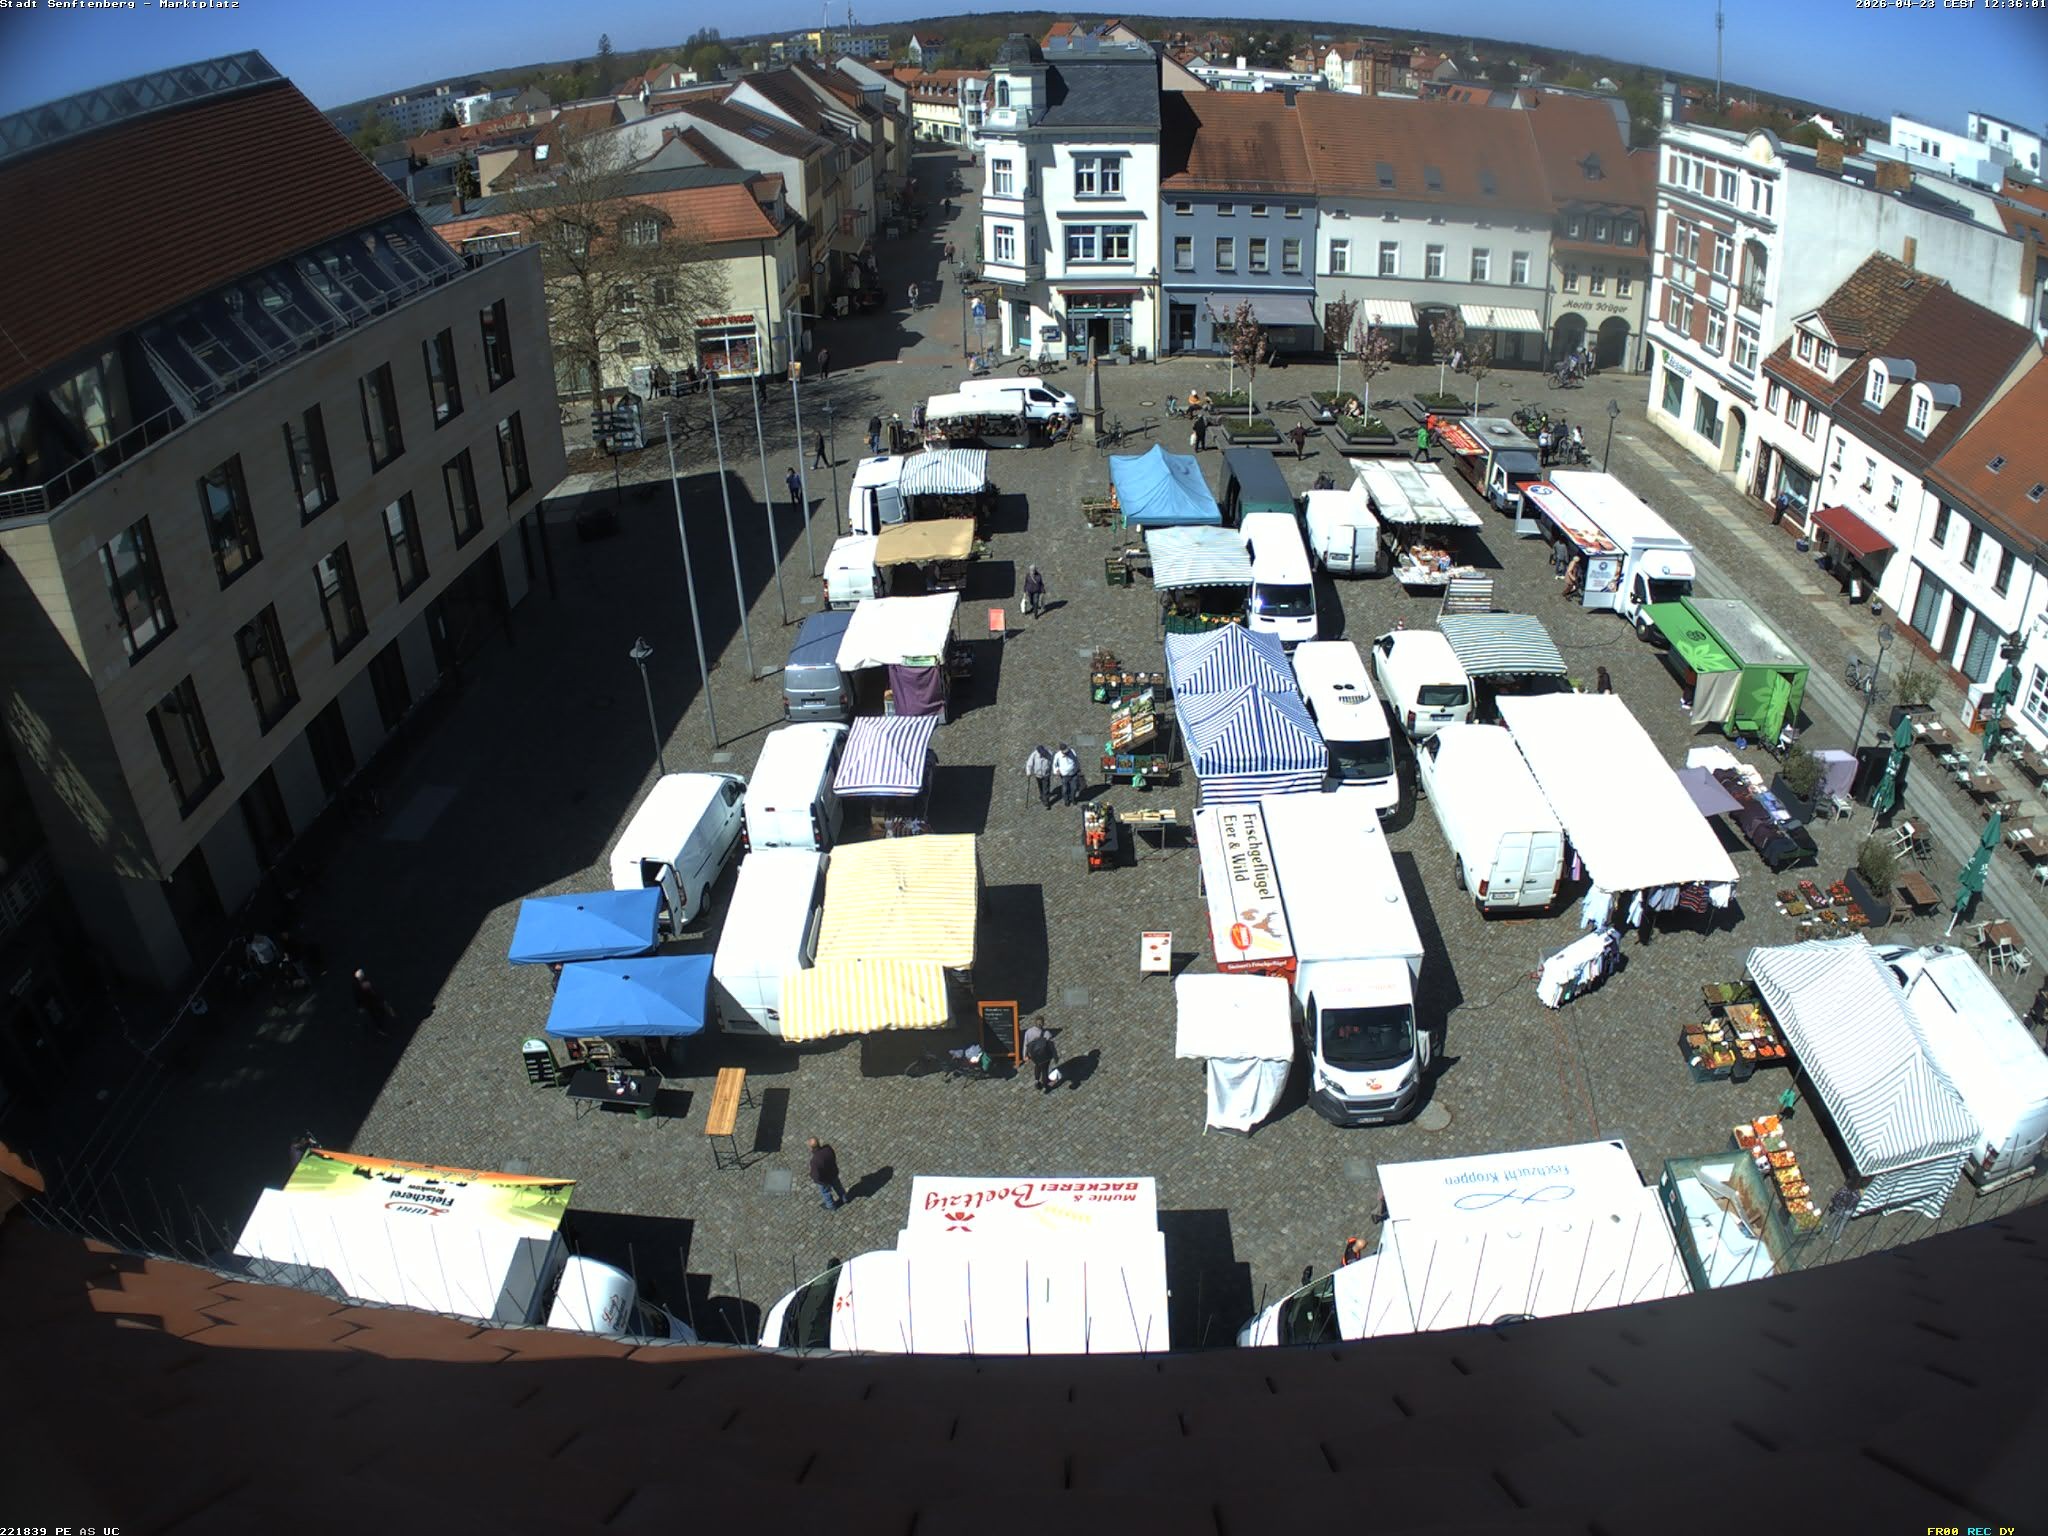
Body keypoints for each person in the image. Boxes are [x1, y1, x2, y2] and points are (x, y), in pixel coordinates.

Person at [351, 967, 394, 1040]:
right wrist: (360, 1007)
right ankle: (380, 1028)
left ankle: (381, 1025)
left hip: (373, 1001)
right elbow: (358, 997)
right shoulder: (357, 987)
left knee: (380, 1012)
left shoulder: (364, 981)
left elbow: (373, 990)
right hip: (369, 1004)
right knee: (375, 1015)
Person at [806, 1137, 847, 1212]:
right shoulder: (828, 1148)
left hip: (824, 1180)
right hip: (833, 1173)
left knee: (826, 1192)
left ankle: (831, 1205)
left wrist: (813, 1177)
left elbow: (816, 1176)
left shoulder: (814, 1161)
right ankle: (844, 1198)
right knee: (838, 1186)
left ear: (810, 1147)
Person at [1022, 1022, 1058, 1092]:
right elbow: (1051, 1045)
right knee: (1044, 1070)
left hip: (1034, 1055)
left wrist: (1025, 1055)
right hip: (1045, 1055)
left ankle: (1037, 1081)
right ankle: (1045, 1085)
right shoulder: (1047, 1033)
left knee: (1037, 1066)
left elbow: (1025, 1044)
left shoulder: (1029, 1032)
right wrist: (1055, 1056)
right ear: (1043, 1023)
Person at [1024, 744, 1054, 808]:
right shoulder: (1034, 754)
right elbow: (1029, 764)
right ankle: (1042, 796)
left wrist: (1053, 770)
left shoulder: (1049, 753)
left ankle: (1046, 802)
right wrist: (1028, 772)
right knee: (1040, 787)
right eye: (1041, 753)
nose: (1043, 755)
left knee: (1046, 788)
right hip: (1038, 775)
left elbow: (1053, 762)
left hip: (1046, 775)